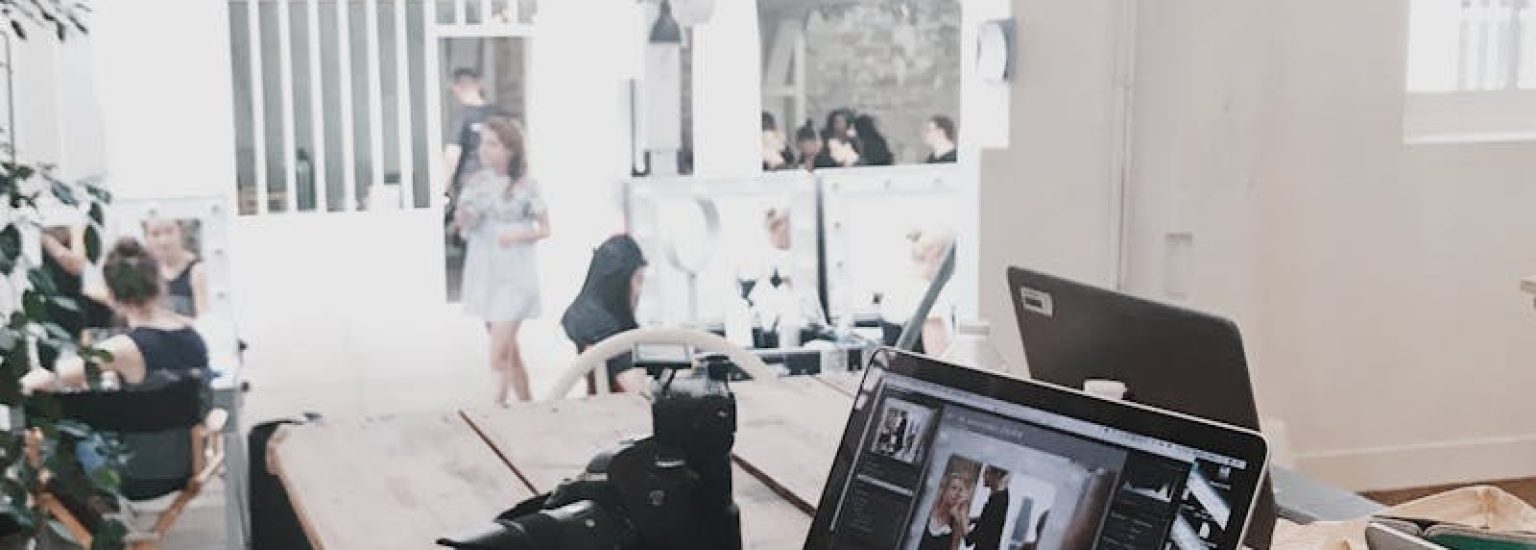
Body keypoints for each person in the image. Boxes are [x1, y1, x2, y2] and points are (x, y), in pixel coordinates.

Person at [23, 238, 211, 500]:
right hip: (185, 466)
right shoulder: (193, 336)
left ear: (111, 296)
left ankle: (72, 519)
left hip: (134, 476)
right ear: (160, 285)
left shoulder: (124, 347)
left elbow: (46, 379)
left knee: (58, 436)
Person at [454, 116, 550, 405]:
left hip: (515, 275)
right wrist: (464, 215)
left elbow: (545, 228)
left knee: (498, 354)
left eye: (492, 144)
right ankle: (528, 405)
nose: (484, 149)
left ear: (509, 149)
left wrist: (517, 234)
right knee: (508, 350)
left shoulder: (526, 186)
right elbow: (463, 226)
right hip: (486, 274)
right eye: (483, 143)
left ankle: (495, 413)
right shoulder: (476, 183)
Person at [561, 235, 649, 394]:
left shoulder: (583, 317)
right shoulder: (603, 330)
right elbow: (640, 393)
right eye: (638, 280)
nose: (639, 291)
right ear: (619, 283)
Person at [144, 218, 208, 318]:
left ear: (181, 232)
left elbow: (204, 320)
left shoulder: (198, 270)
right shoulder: (146, 270)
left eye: (169, 232)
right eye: (155, 234)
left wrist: (168, 318)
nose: (163, 241)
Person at [918, 472, 974, 550]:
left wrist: (959, 516)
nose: (957, 493)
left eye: (960, 491)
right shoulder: (928, 512)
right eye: (954, 488)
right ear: (945, 489)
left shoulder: (954, 527)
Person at [967, 466, 1013, 550]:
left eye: (987, 472)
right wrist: (974, 520)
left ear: (998, 474)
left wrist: (961, 518)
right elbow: (991, 519)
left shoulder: (996, 500)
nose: (983, 475)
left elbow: (969, 540)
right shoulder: (1004, 494)